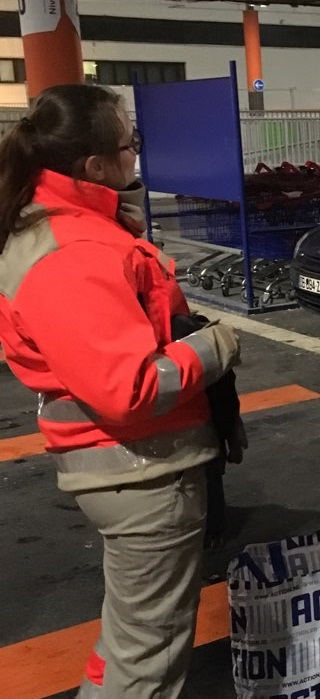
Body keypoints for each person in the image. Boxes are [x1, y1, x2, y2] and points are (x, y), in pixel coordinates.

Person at [0, 84, 242, 698]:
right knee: (148, 658)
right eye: (130, 144)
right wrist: (212, 347)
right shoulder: (73, 250)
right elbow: (126, 387)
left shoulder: (67, 228)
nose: (137, 155)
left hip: (130, 469)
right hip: (142, 473)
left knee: (131, 638)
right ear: (95, 165)